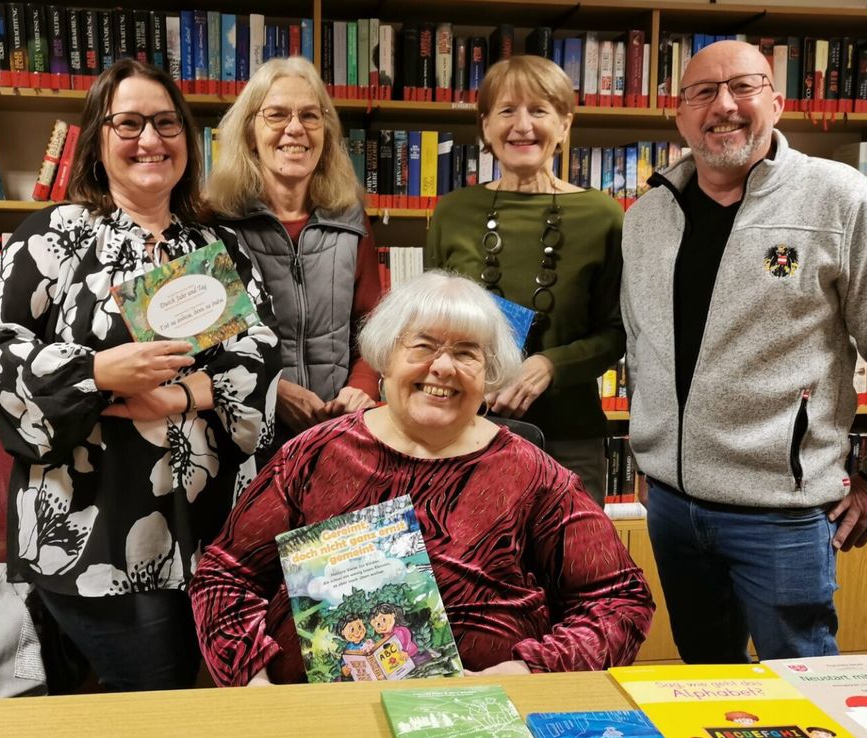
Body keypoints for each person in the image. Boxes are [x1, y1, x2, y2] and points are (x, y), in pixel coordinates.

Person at [619, 40, 867, 663]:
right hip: (672, 508)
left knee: (801, 682)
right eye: (703, 93)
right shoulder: (646, 215)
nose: (724, 107)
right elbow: (640, 342)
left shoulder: (843, 201)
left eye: (744, 86)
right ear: (680, 115)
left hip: (782, 513)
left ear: (777, 100)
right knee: (706, 684)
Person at [0, 58, 281, 691]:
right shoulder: (54, 238)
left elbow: (261, 349)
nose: (150, 140)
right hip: (96, 531)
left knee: (216, 698)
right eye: (129, 123)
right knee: (144, 702)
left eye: (166, 124)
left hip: (216, 525)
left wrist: (185, 393)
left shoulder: (216, 245)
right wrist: (97, 371)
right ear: (98, 138)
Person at [188, 271, 653, 686]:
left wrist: (529, 669)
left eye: (467, 353)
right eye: (424, 346)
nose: (443, 367)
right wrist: (254, 681)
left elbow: (619, 598)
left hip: (479, 710)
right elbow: (226, 574)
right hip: (316, 711)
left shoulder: (532, 473)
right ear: (386, 358)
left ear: (489, 374)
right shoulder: (314, 455)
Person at [425, 54, 625, 497]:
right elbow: (432, 325)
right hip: (466, 433)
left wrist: (549, 365)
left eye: (539, 110)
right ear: (484, 125)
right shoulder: (452, 212)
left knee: (568, 565)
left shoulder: (604, 216)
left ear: (565, 124)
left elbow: (616, 332)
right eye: (507, 110)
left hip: (569, 441)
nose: (522, 125)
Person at [206, 56, 381, 449]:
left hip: (336, 429)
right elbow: (209, 347)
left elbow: (374, 327)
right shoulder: (215, 224)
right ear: (250, 132)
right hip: (244, 437)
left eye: (310, 116)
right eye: (277, 115)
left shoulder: (352, 221)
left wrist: (362, 386)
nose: (295, 128)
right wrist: (274, 389)